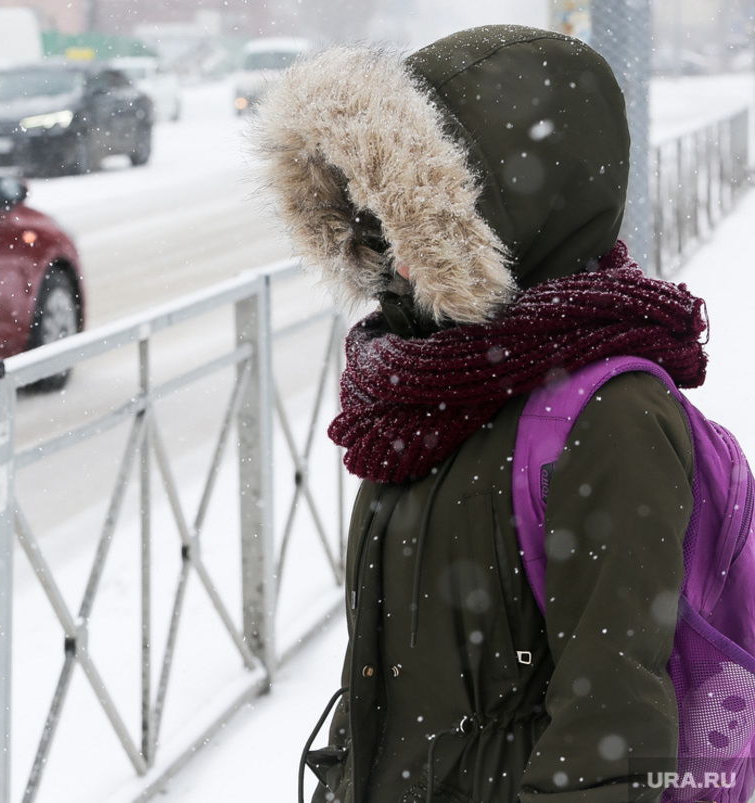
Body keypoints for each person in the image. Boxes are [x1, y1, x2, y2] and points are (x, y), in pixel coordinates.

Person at [249, 25, 708, 802]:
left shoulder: (612, 418)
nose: (392, 255)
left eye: (421, 220)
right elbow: (388, 675)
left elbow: (612, 749)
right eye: (376, 215)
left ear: (517, 218)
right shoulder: (420, 390)